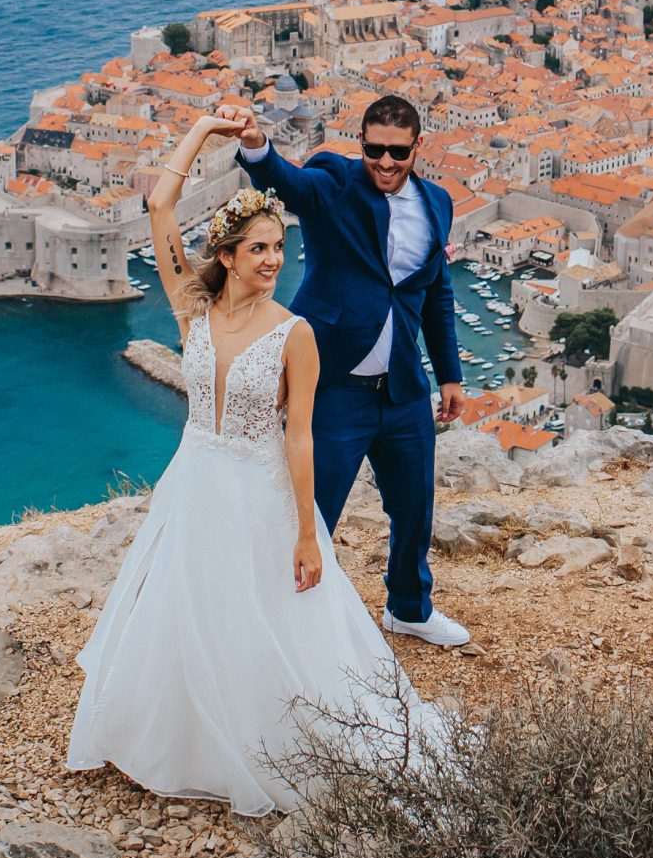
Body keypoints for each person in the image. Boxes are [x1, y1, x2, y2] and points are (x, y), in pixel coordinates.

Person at [65, 113, 422, 815]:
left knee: (264, 622)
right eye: (258, 249)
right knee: (185, 608)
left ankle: (265, 745)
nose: (273, 262)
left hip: (259, 496)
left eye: (280, 249)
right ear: (227, 255)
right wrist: (199, 128)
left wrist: (304, 534)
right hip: (193, 484)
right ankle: (177, 740)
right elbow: (160, 206)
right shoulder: (191, 310)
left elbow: (300, 439)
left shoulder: (297, 334)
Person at [219, 95, 471, 648]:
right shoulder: (334, 181)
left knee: (414, 510)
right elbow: (288, 182)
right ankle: (284, 625)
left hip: (403, 385)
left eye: (397, 152)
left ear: (416, 147)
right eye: (374, 149)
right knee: (310, 512)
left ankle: (408, 608)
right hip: (333, 384)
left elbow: (435, 295)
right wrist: (256, 146)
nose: (385, 162)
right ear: (362, 143)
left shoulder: (438, 202)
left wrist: (449, 375)